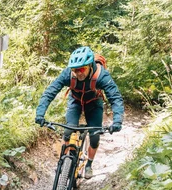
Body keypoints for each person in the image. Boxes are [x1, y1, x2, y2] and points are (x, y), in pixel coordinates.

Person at [35, 46, 124, 179]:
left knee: (94, 137)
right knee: (68, 130)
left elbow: (115, 98)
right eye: (75, 70)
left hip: (94, 103)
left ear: (90, 66)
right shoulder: (68, 74)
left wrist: (117, 120)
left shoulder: (101, 76)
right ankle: (64, 161)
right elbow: (50, 92)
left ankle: (88, 165)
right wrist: (40, 114)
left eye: (82, 69)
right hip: (75, 101)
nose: (78, 73)